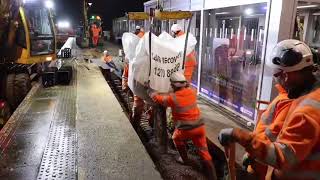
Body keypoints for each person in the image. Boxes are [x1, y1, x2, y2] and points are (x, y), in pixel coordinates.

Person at [218, 39, 320, 180]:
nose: (277, 80)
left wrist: (240, 136)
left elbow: (283, 156)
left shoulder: (307, 111)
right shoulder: (310, 95)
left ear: (286, 74)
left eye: (277, 75)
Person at [149, 72, 217, 180]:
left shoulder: (173, 98)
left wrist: (151, 92)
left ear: (173, 86)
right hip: (199, 128)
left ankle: (185, 159)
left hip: (186, 129)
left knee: (176, 138)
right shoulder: (192, 92)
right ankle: (213, 177)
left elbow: (159, 99)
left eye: (171, 85)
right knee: (205, 153)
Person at [122, 27, 145, 124]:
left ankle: (150, 125)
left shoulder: (146, 46)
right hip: (139, 84)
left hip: (146, 84)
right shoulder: (132, 55)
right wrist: (125, 84)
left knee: (147, 106)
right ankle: (135, 125)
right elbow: (126, 71)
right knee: (138, 106)